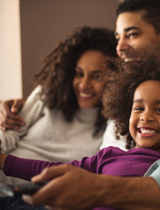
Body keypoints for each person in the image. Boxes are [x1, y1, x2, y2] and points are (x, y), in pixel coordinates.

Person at [0, 0, 160, 209]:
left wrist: (107, 190)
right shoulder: (120, 102)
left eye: (131, 34)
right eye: (117, 37)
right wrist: (19, 107)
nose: (120, 48)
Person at [0, 26, 118, 187]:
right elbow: (7, 137)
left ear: (115, 81)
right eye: (78, 73)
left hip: (34, 199)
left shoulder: (112, 127)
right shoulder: (48, 95)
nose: (84, 85)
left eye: (96, 77)